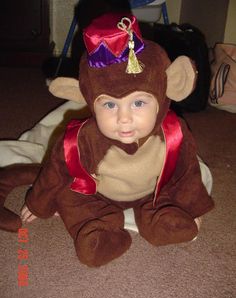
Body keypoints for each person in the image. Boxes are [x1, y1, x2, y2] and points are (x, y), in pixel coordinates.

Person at [2, 13, 214, 267]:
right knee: (71, 199)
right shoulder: (83, 139)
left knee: (169, 195)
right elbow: (56, 171)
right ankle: (99, 233)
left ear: (165, 92)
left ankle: (161, 219)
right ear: (89, 101)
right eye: (110, 105)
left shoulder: (173, 131)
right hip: (96, 193)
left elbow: (187, 170)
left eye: (138, 102)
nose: (124, 118)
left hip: (152, 192)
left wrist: (193, 207)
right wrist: (39, 204)